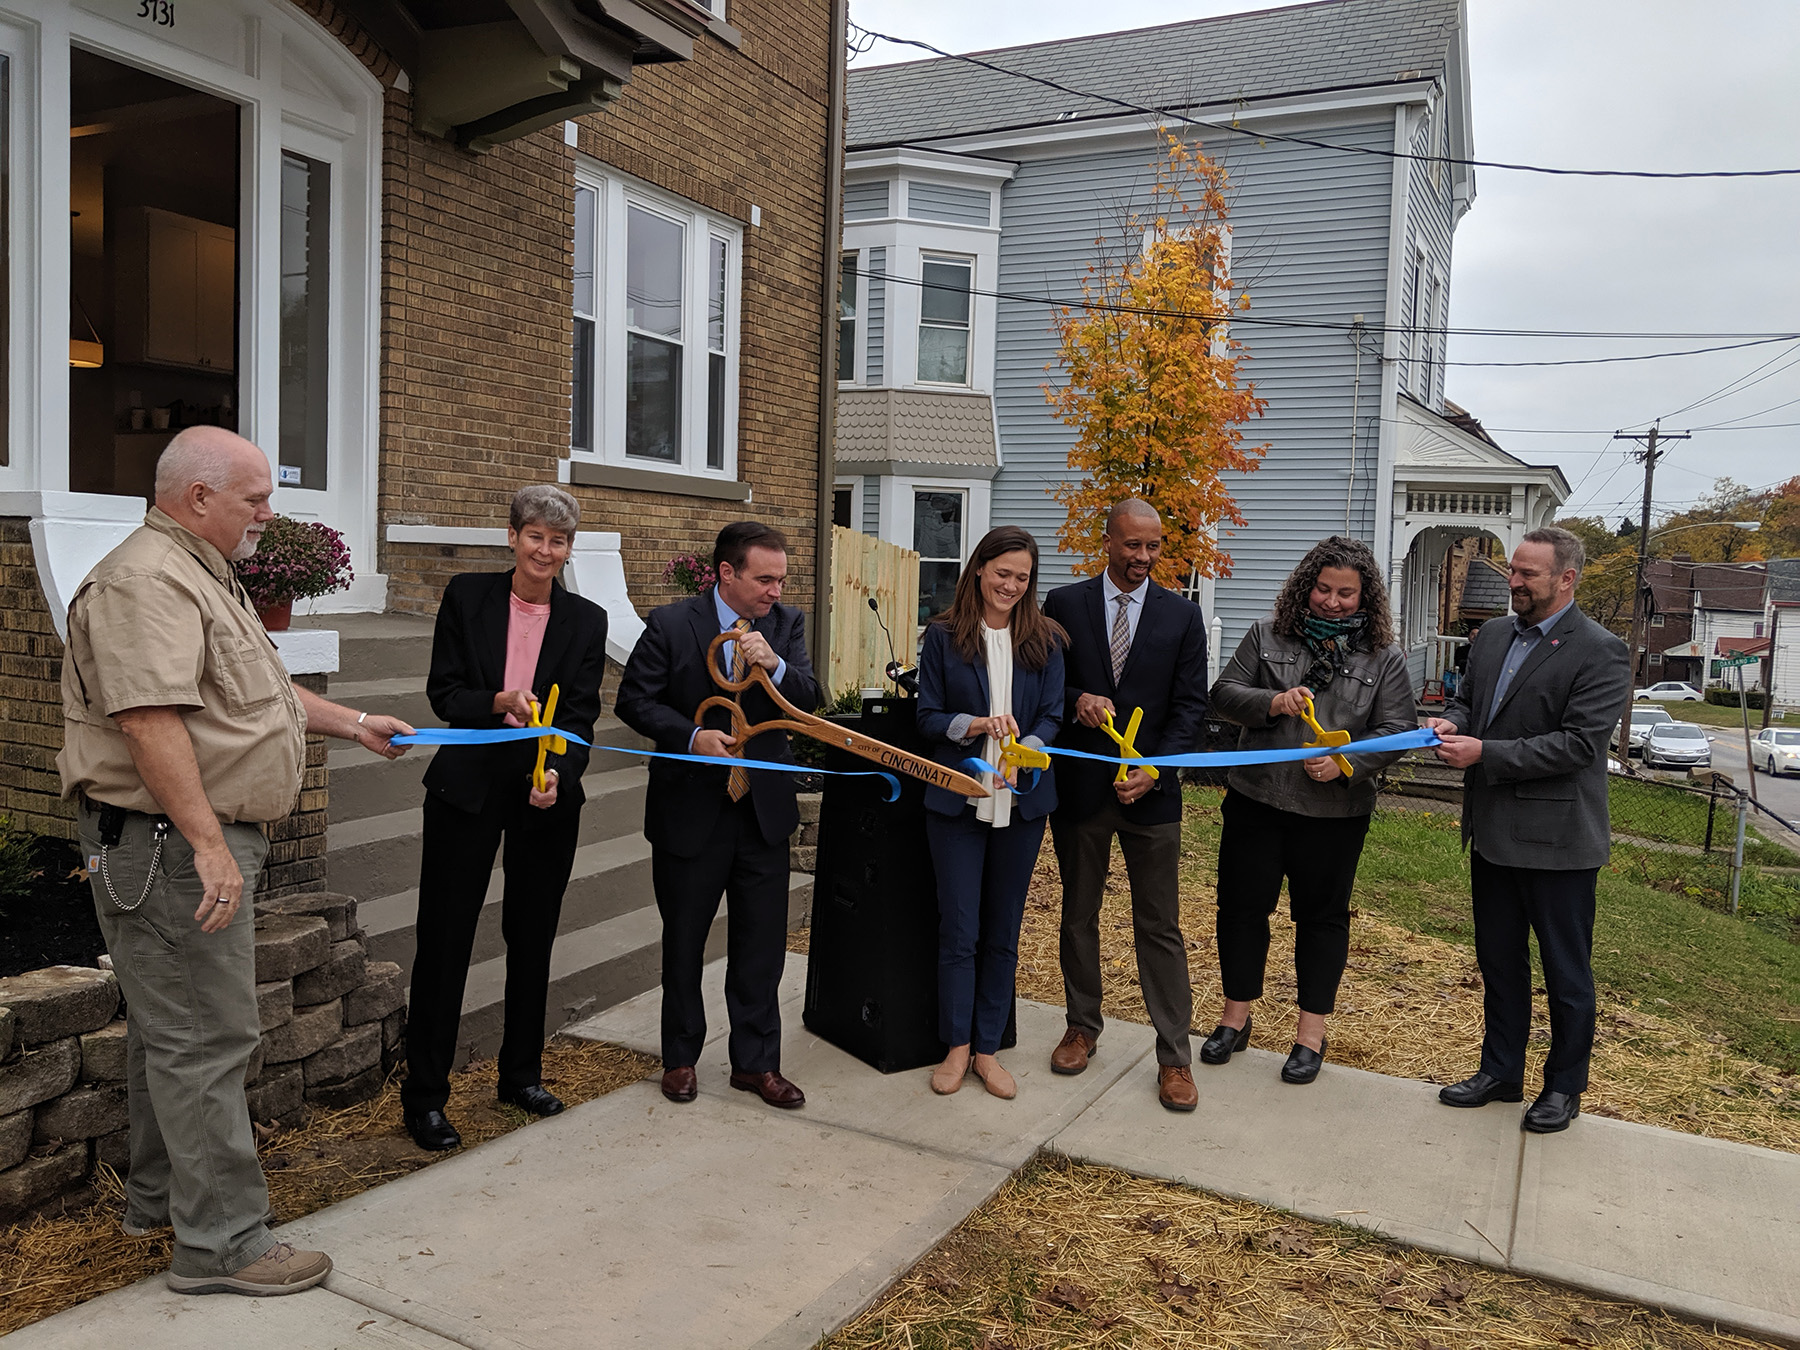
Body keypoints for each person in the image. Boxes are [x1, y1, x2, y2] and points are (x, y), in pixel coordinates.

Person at [57, 427, 414, 1296]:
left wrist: (351, 722)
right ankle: (222, 1244)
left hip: (179, 841)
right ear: (198, 496)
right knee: (208, 1038)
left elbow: (252, 689)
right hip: (171, 844)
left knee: (168, 1031)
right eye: (255, 499)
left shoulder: (198, 571)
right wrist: (210, 844)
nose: (269, 513)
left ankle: (162, 1200)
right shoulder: (144, 581)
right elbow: (150, 720)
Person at [400, 485, 609, 1151]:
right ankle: (426, 1098)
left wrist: (559, 774)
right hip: (467, 789)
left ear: (568, 549)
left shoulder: (586, 618)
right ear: (513, 537)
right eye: (536, 536)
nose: (546, 549)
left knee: (533, 934)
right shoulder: (467, 595)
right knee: (445, 939)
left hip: (544, 792)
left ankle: (520, 1075)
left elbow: (579, 717)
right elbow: (444, 692)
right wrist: (498, 700)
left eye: (559, 540)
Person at [1427, 527, 1629, 1133]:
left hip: (1560, 844)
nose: (1511, 581)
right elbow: (1471, 704)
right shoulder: (1491, 634)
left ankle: (1564, 1087)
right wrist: (1449, 722)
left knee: (1567, 976)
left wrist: (1483, 752)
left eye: (1527, 574)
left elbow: (1577, 745)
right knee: (1500, 962)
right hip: (1491, 834)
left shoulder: (1601, 650)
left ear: (1567, 579)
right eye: (1513, 570)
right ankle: (1501, 1072)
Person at [615, 522, 820, 1109]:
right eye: (764, 578)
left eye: (781, 579)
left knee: (762, 946)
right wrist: (692, 735)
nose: (775, 590)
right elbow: (634, 700)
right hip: (691, 810)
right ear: (727, 573)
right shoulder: (673, 624)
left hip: (762, 811)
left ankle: (755, 1064)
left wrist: (776, 666)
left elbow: (810, 700)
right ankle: (680, 1057)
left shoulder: (786, 625)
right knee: (684, 941)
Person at [1205, 537, 1415, 1085]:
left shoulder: (1384, 656)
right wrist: (1270, 702)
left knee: (1320, 921)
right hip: (1256, 799)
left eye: (1347, 592)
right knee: (1241, 910)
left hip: (1335, 815)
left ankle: (1309, 1036)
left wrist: (1347, 762)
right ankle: (1235, 1018)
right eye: (1323, 589)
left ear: (1365, 595)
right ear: (1306, 586)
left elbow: (1397, 730)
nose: (1333, 601)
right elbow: (1223, 693)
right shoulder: (1266, 635)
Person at [1041, 500, 1210, 1112]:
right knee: (1078, 914)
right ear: (1107, 541)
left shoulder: (1183, 616)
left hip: (1152, 797)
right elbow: (1041, 686)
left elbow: (1192, 707)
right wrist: (1076, 697)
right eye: (1133, 545)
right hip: (1083, 793)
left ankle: (1174, 1058)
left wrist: (1156, 770)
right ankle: (1082, 1026)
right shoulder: (1063, 606)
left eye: (1154, 547)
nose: (1144, 558)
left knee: (1159, 926)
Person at [916, 525, 1066, 1100]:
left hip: (1021, 803)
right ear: (979, 569)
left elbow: (1054, 716)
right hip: (957, 801)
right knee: (959, 929)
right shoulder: (945, 636)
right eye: (1001, 572)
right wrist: (976, 726)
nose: (1010, 584)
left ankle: (987, 1049)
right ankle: (955, 1047)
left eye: (1021, 577)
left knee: (1003, 931)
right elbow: (927, 718)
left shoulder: (1047, 640)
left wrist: (1029, 748)